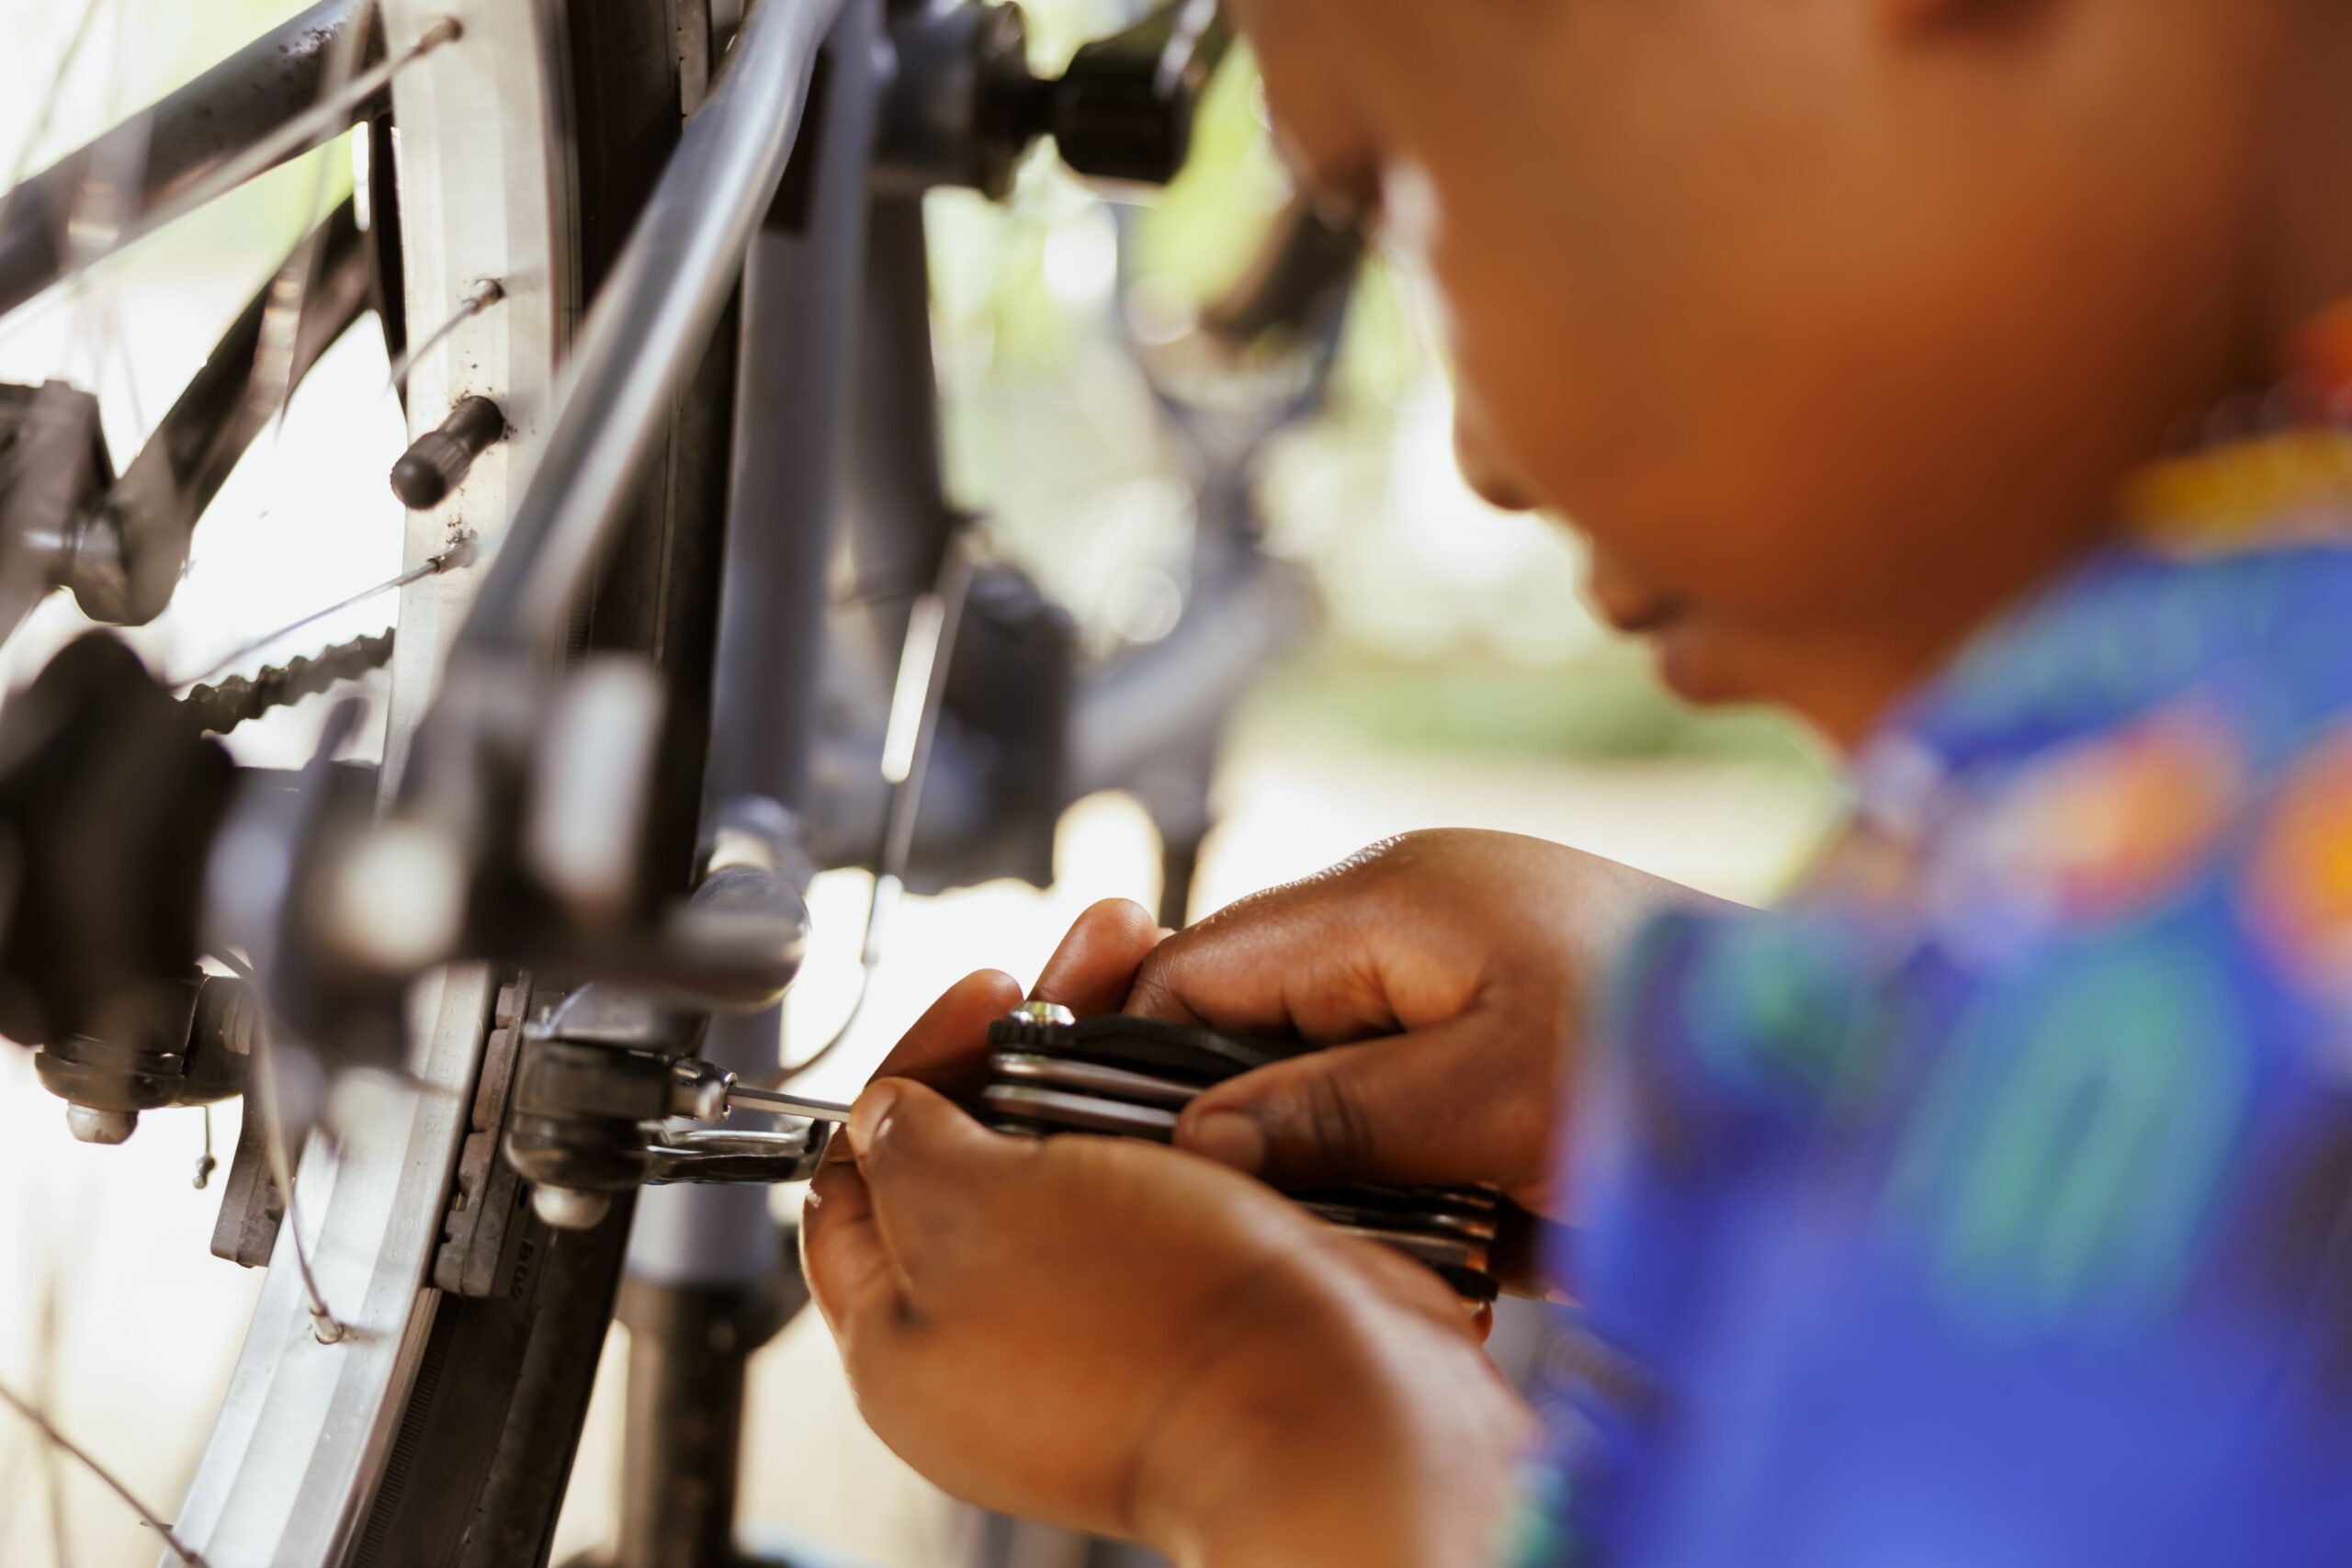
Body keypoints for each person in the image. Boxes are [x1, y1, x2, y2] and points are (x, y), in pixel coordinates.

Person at [802, 1, 2352, 1562]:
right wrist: (1752, 1052)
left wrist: (1264, 1427)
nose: (1483, 461)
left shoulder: (2179, 926)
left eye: (1395, 179)